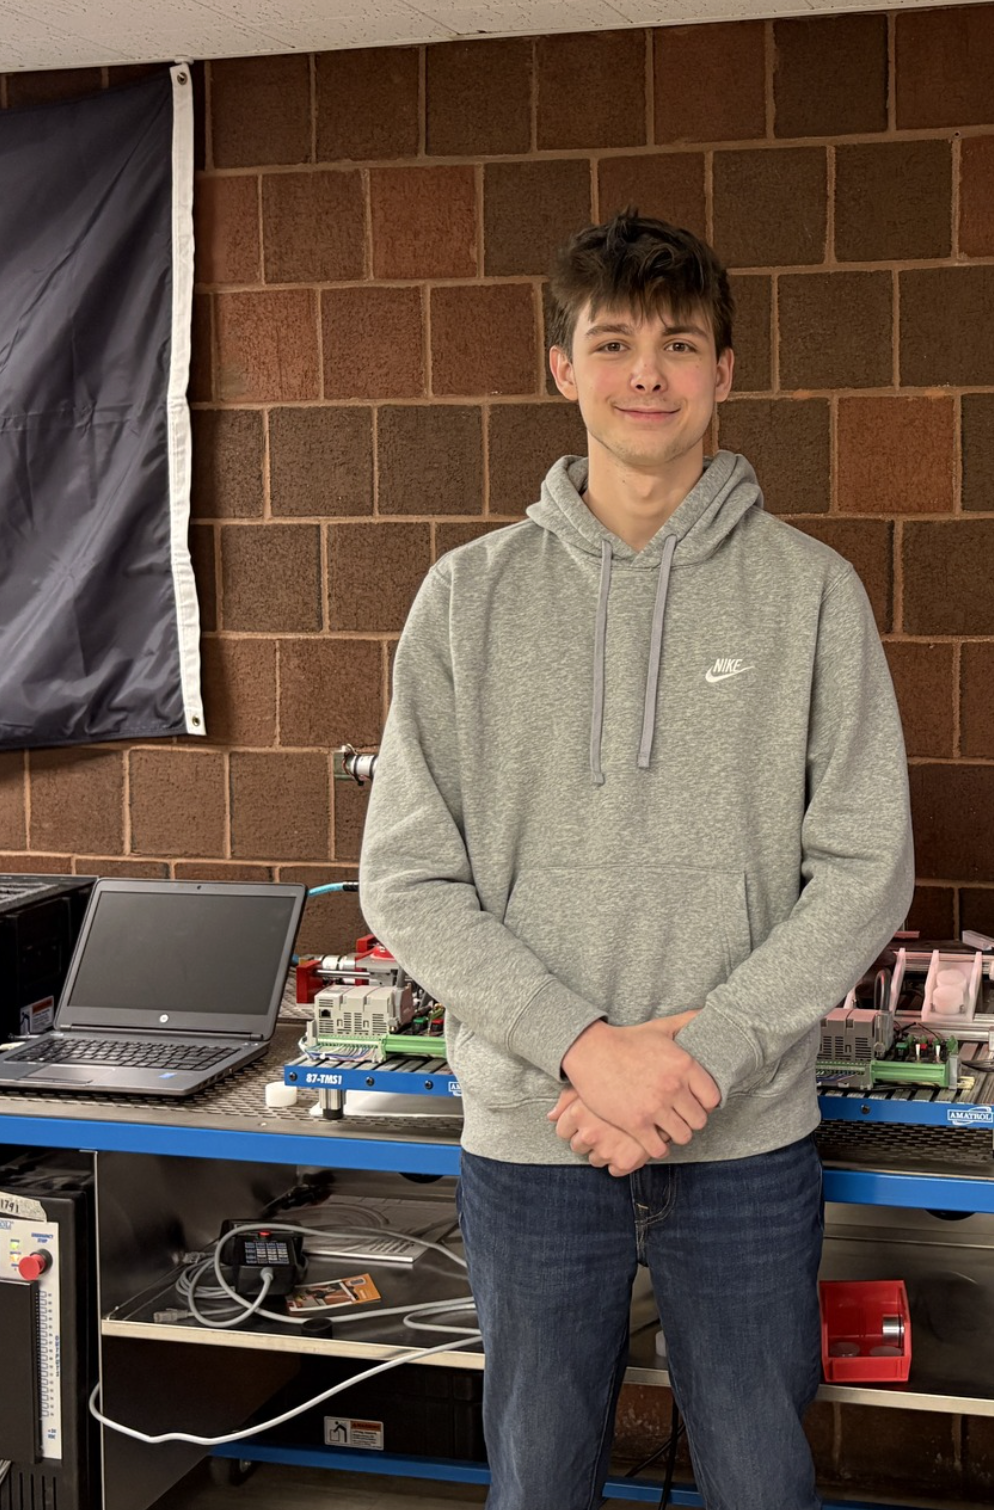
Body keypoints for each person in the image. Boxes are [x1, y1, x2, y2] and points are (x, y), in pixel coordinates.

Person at [359, 209, 914, 1509]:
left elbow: (863, 866)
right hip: (532, 1136)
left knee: (762, 1483)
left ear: (725, 371)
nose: (647, 373)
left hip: (743, 1143)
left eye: (679, 343)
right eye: (612, 343)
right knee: (539, 1482)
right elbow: (405, 876)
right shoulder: (465, 598)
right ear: (562, 368)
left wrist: (701, 1054)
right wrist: (583, 1047)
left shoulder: (809, 592)